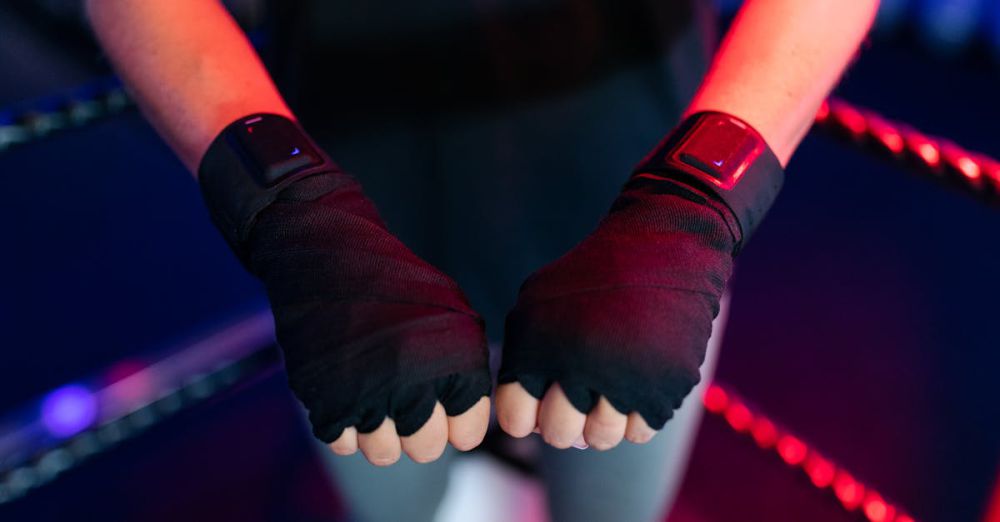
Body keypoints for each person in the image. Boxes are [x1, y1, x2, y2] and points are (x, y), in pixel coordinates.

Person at [85, 1, 879, 520]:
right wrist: (291, 213)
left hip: (641, 229)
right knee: (398, 509)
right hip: (344, 236)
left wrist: (697, 202)